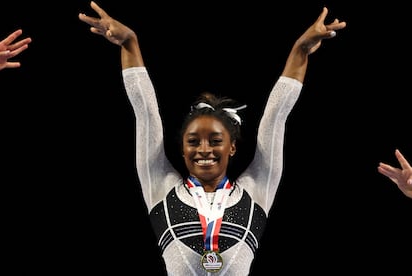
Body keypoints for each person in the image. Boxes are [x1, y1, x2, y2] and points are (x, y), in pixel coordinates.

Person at [79, 1, 346, 275]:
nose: (204, 149)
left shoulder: (257, 189)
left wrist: (300, 50)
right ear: (182, 149)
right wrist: (130, 43)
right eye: (193, 141)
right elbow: (145, 112)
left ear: (231, 147)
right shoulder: (160, 186)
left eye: (215, 141)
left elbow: (276, 117)